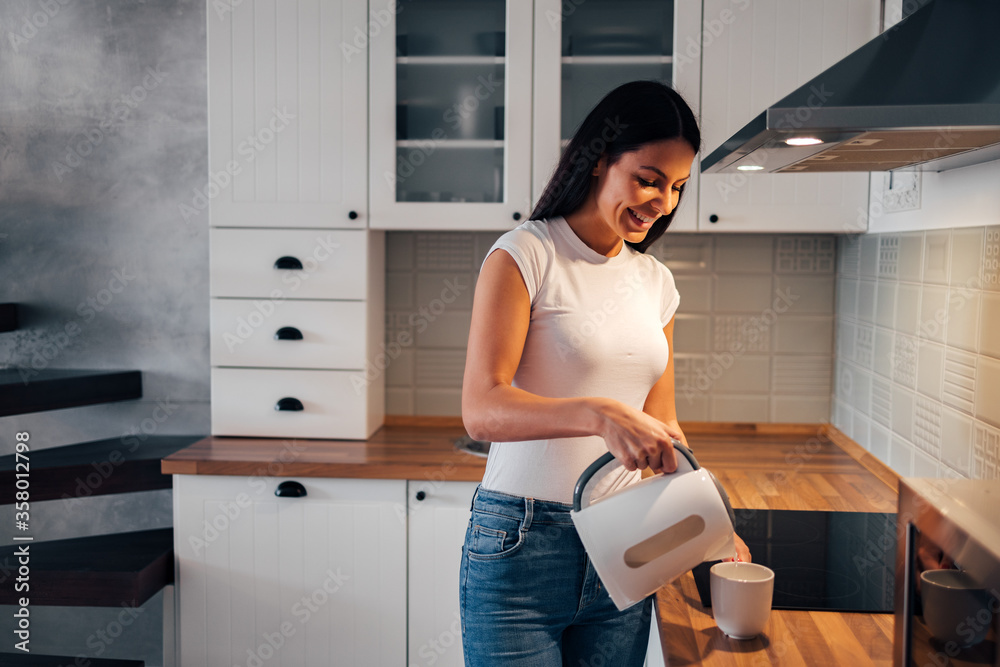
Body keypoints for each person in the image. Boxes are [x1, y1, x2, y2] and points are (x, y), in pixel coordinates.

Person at [459, 80, 751, 666]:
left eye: (676, 187)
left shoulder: (656, 284)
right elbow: (482, 409)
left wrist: (712, 527)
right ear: (598, 160)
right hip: (522, 542)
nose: (662, 202)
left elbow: (664, 425)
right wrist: (599, 414)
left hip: (629, 543)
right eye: (648, 178)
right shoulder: (525, 254)